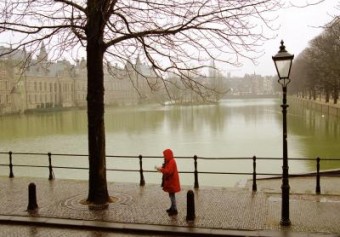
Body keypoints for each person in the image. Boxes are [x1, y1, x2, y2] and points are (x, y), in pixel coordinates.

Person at [156, 148, 181, 216]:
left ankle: (174, 209)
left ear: (167, 155)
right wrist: (161, 168)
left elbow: (168, 172)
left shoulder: (171, 162)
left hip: (172, 182)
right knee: (171, 195)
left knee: (172, 195)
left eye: (164, 155)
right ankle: (172, 207)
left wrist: (161, 169)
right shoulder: (169, 161)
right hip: (171, 181)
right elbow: (167, 169)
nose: (164, 157)